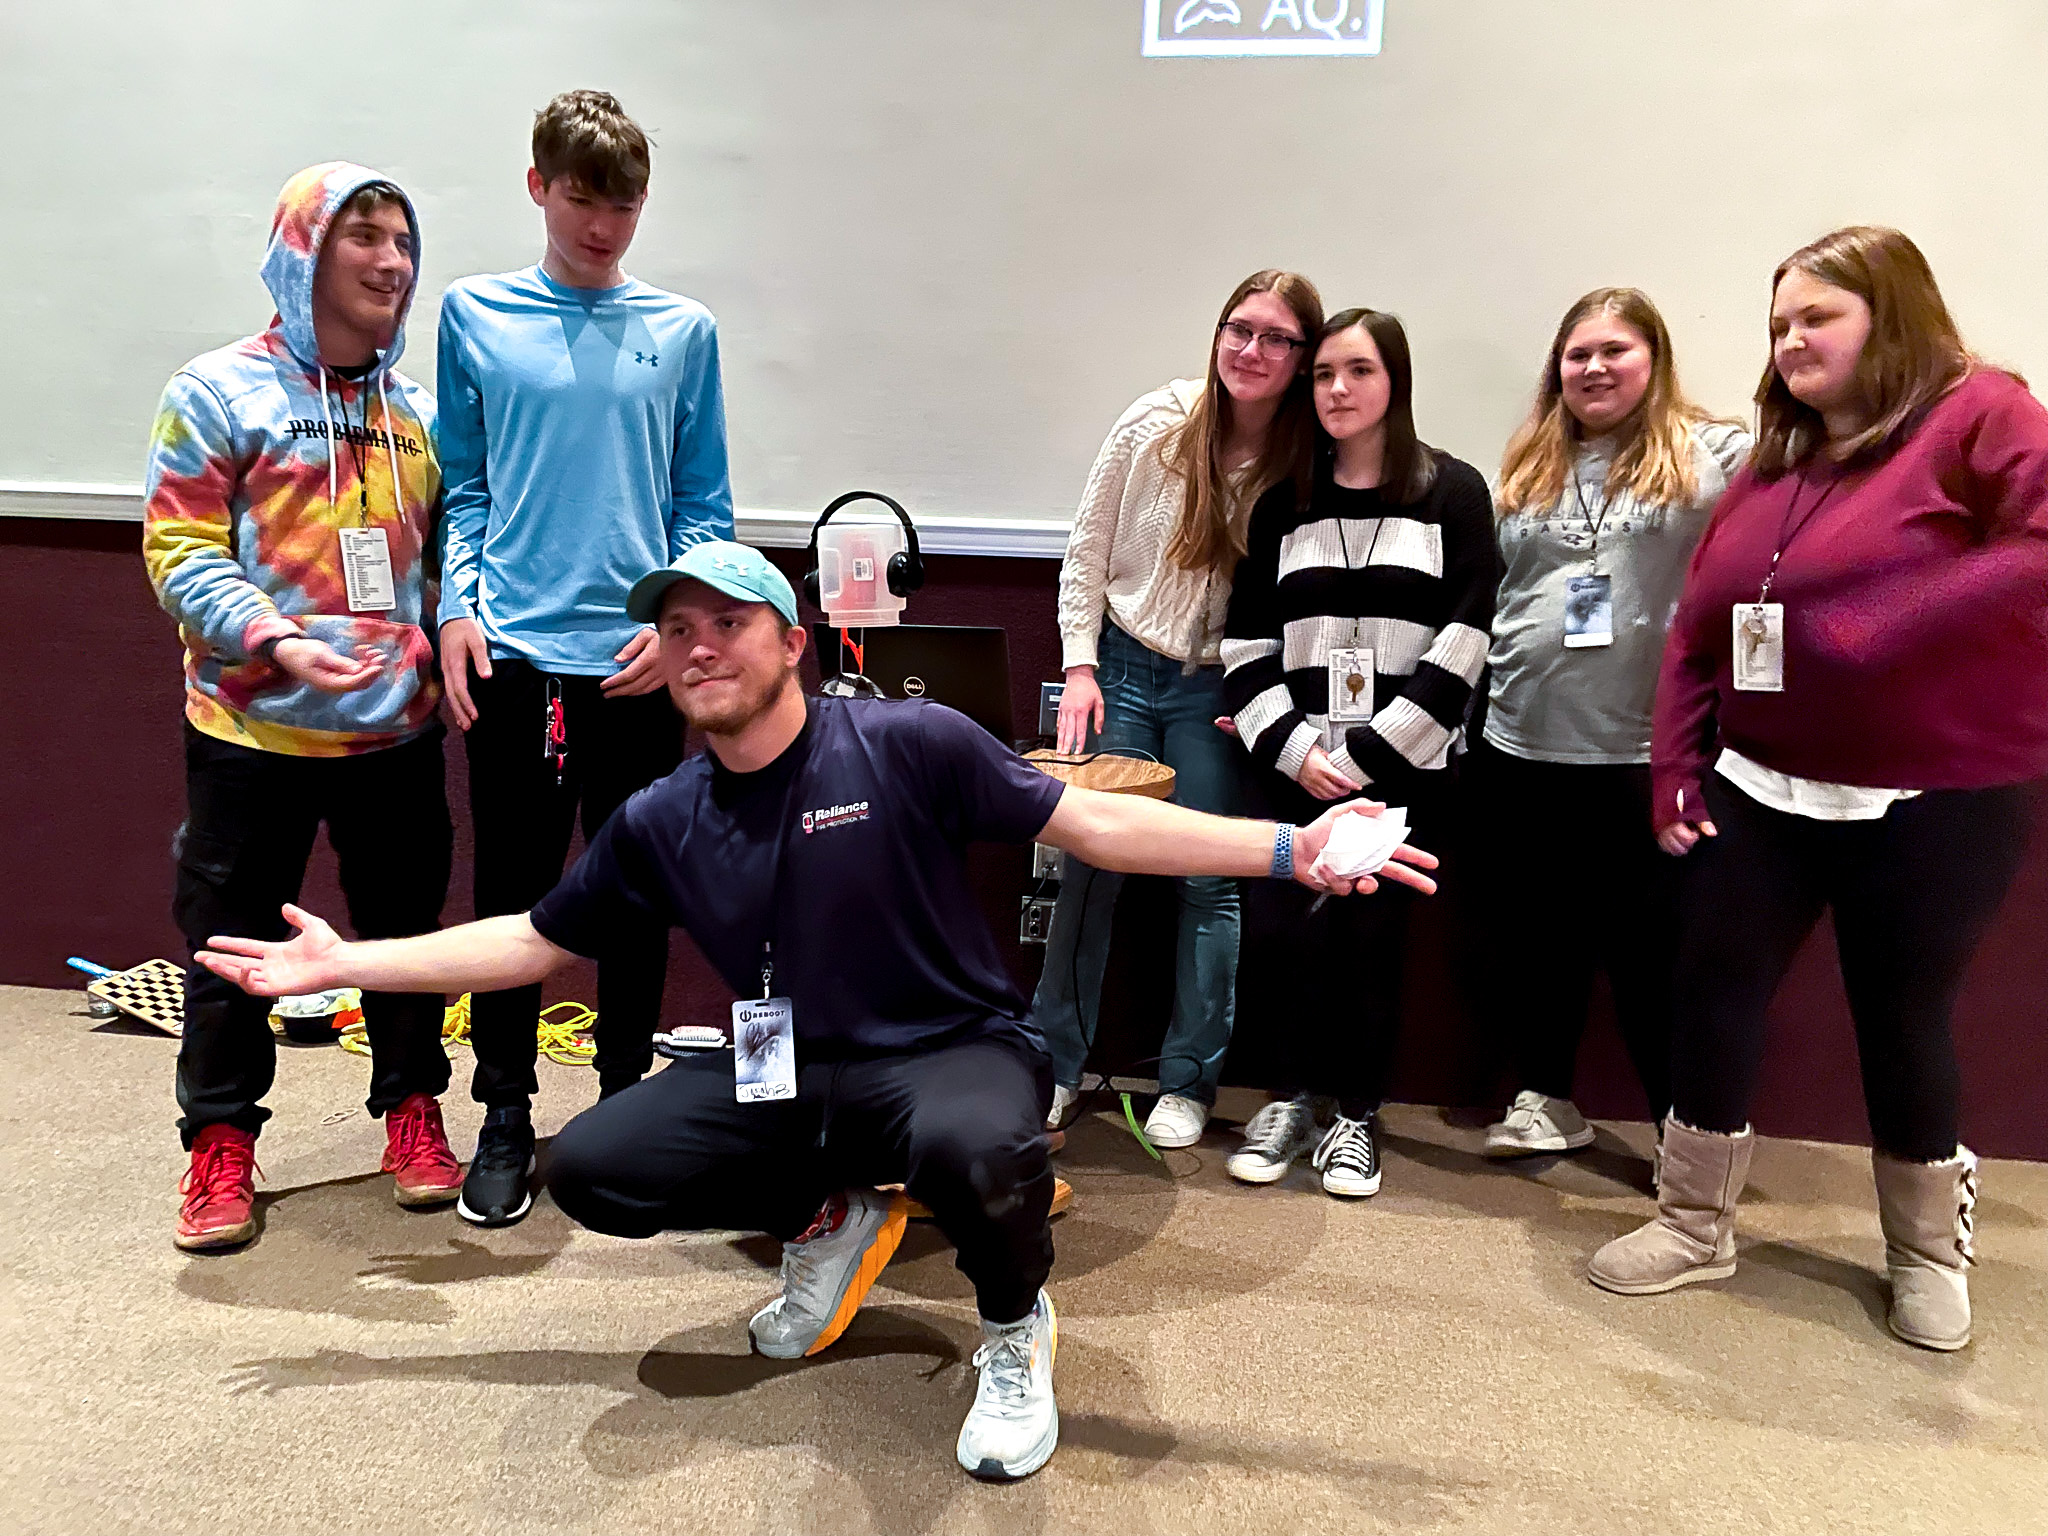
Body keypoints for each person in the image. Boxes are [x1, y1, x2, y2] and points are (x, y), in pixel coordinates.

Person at [194, 540, 1439, 1481]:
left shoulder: (905, 742)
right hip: (793, 1076)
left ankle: (1013, 1328)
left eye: (726, 622)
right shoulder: (663, 818)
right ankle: (830, 1210)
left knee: (974, 1145)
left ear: (788, 640)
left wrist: (1289, 850)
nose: (698, 647)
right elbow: (528, 943)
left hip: (948, 1054)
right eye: (676, 629)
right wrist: (346, 964)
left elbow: (1095, 821)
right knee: (601, 1167)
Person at [1589, 227, 2048, 1354]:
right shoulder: (1772, 459)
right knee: (1712, 989)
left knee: (1900, 1015)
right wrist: (1672, 769)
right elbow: (1703, 631)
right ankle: (1694, 1223)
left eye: (1816, 317)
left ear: (1886, 319)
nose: (1789, 338)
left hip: (1933, 796)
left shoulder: (1982, 411)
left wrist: (1880, 618)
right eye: (1778, 320)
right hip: (1756, 788)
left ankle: (1924, 1254)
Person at [141, 163, 460, 1250]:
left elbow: (453, 553)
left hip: (397, 733)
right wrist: (271, 635)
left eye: (403, 242)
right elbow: (177, 549)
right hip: (250, 729)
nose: (391, 262)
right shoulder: (217, 391)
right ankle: (220, 1142)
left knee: (406, 938)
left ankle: (414, 1110)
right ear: (301, 253)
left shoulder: (416, 411)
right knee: (232, 947)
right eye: (362, 236)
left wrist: (447, 630)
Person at [436, 89, 735, 1228]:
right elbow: (464, 490)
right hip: (512, 658)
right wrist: (458, 610)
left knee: (635, 896)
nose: (602, 224)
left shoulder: (683, 331)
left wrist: (678, 631)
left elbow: (700, 506)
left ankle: (623, 1110)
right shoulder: (472, 315)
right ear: (537, 189)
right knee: (513, 899)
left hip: (636, 666)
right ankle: (504, 1111)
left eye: (622, 204)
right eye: (580, 199)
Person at [1037, 269, 1324, 1148]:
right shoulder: (1158, 421)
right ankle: (1051, 1067)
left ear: (1302, 357)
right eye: (1240, 329)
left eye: (1278, 339)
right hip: (1121, 664)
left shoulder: (1302, 457)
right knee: (1089, 863)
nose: (1253, 351)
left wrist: (1259, 693)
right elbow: (1086, 550)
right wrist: (1078, 667)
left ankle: (1189, 1082)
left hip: (1216, 688)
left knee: (1210, 877)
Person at [1220, 308, 1497, 1197]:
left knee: (1371, 942)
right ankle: (1290, 1100)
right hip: (1296, 769)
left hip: (1401, 770)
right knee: (1284, 941)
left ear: (1395, 383)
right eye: (1324, 373)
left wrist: (1377, 750)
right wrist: (1298, 751)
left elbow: (1466, 637)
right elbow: (1247, 648)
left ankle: (1355, 1117)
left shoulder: (1452, 492)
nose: (1337, 390)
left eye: (1359, 372)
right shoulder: (1282, 502)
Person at [1470, 289, 1749, 1166]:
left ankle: (1680, 1131)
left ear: (1654, 360)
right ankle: (1547, 1101)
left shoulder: (1715, 456)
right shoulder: (1527, 466)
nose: (1594, 368)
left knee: (1649, 956)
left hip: (1642, 754)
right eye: (1578, 353)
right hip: (1522, 741)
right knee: (1541, 943)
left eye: (1615, 351)